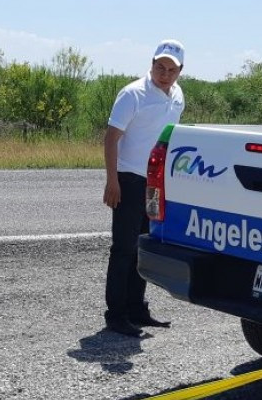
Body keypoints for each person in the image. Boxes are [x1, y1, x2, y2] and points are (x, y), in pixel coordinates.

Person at [102, 39, 186, 338]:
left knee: (143, 246)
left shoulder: (177, 96)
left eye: (170, 69)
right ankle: (116, 314)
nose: (163, 74)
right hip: (128, 179)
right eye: (159, 67)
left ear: (180, 71)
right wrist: (112, 181)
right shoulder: (133, 94)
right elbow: (111, 138)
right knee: (123, 248)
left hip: (154, 183)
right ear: (151, 64)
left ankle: (137, 308)